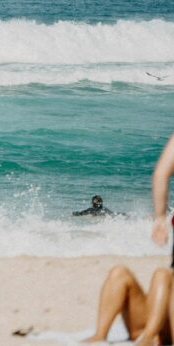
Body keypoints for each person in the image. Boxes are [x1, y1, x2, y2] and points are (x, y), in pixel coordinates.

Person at [84, 132, 174, 343]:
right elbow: (160, 174)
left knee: (162, 275)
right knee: (119, 274)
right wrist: (160, 219)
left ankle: (149, 337)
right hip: (156, 314)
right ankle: (100, 336)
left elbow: (161, 173)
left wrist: (161, 218)